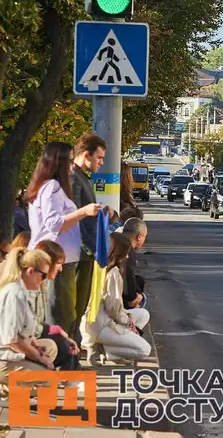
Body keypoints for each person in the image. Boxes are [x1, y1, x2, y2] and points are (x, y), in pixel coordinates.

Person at [26, 141, 103, 346]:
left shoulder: (54, 187)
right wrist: (83, 211)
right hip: (53, 259)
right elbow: (53, 224)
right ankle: (58, 363)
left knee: (66, 313)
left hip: (62, 259)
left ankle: (61, 361)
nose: (72, 166)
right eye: (68, 161)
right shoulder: (52, 187)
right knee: (61, 314)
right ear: (57, 163)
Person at [0, 248, 59, 404]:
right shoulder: (14, 294)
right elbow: (12, 340)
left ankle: (11, 388)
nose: (45, 280)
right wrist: (38, 358)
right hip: (3, 356)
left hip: (9, 351)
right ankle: (5, 390)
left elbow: (24, 332)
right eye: (43, 275)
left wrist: (36, 348)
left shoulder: (22, 290)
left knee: (50, 346)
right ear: (31, 271)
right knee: (50, 381)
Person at [86, 233, 151, 364]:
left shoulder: (97, 264)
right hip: (102, 325)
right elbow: (113, 308)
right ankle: (106, 351)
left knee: (143, 314)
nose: (127, 256)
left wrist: (127, 317)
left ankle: (108, 345)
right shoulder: (113, 273)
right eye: (125, 253)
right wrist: (127, 321)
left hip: (93, 320)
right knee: (145, 350)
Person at [71, 133, 111, 344]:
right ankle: (69, 357)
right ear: (86, 155)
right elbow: (76, 215)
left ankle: (72, 351)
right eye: (99, 158)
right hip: (80, 252)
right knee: (75, 306)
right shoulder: (73, 177)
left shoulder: (81, 177)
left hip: (85, 251)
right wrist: (91, 248)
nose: (101, 162)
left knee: (81, 303)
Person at [31, 240, 81, 371]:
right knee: (61, 344)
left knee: (66, 342)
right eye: (58, 264)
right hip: (19, 344)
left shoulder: (41, 286)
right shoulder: (27, 288)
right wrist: (52, 331)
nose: (61, 269)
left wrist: (56, 331)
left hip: (32, 335)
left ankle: (71, 378)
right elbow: (25, 329)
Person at [121, 219, 148, 311]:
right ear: (139, 237)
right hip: (115, 299)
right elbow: (128, 286)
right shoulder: (128, 252)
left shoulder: (114, 242)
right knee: (142, 305)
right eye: (145, 237)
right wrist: (135, 298)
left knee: (139, 280)